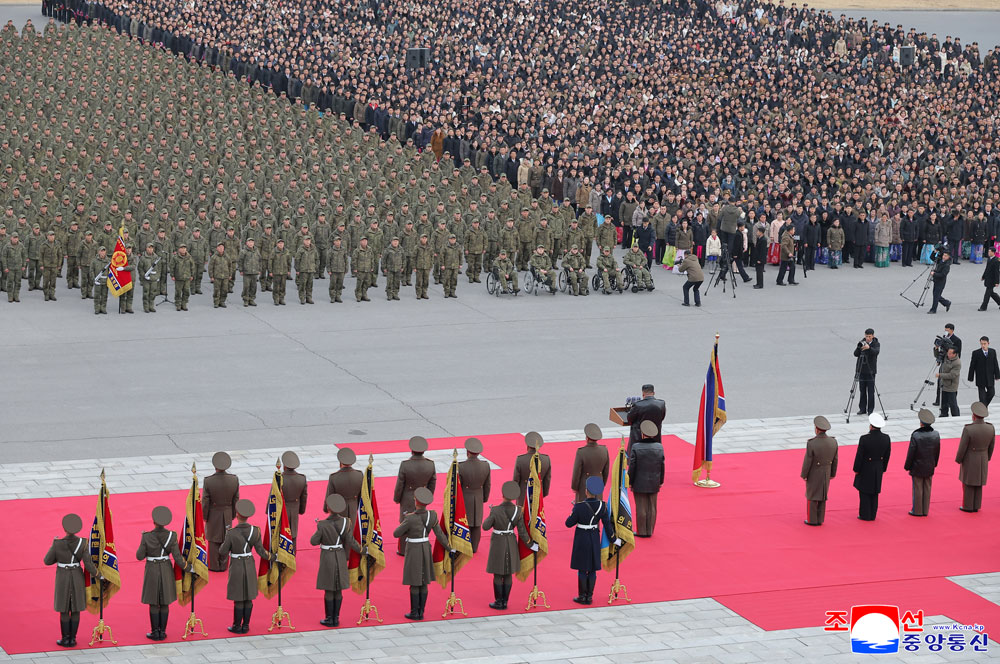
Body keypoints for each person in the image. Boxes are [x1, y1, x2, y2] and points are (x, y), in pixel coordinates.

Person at [392, 487, 449, 620]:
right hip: (425, 548)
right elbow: (439, 535)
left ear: (416, 501)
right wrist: (448, 547)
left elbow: (396, 533)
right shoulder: (432, 515)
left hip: (413, 550)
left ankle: (414, 612)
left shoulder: (410, 518)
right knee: (424, 581)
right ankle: (421, 611)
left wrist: (406, 523)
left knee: (414, 581)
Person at [44, 513, 98, 648]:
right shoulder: (83, 542)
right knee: (75, 609)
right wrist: (99, 575)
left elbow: (47, 561)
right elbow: (88, 564)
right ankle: (73, 639)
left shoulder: (58, 543)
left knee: (64, 609)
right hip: (77, 576)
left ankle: (65, 638)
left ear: (64, 528)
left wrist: (54, 546)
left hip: (62, 576)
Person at [220, 499, 271, 633]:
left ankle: (237, 626)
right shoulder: (255, 531)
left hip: (236, 565)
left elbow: (222, 551)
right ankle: (246, 625)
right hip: (249, 565)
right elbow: (261, 551)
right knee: (248, 597)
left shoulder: (231, 533)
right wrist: (273, 557)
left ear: (237, 515)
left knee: (238, 597)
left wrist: (226, 537)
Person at [482, 481, 536, 610]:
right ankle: (505, 601)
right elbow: (522, 531)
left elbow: (485, 527)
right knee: (508, 574)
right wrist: (531, 544)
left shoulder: (495, 510)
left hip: (498, 544)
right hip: (511, 542)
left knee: (498, 574)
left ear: (503, 494)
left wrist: (491, 513)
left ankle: (498, 601)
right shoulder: (518, 510)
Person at [311, 494, 362, 627]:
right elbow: (350, 541)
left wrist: (318, 528)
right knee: (338, 588)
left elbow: (313, 541)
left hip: (327, 557)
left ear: (328, 508)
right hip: (340, 555)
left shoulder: (322, 524)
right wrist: (362, 550)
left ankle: (329, 618)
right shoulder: (347, 522)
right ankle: (336, 618)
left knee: (329, 589)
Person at [566, 476, 617, 605]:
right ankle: (590, 596)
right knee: (593, 568)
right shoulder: (602, 506)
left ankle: (582, 596)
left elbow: (568, 523)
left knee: (582, 568)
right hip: (594, 537)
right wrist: (613, 539)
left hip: (582, 538)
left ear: (586, 490)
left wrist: (573, 511)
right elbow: (607, 525)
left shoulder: (579, 506)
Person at [136, 506, 185, 640]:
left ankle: (154, 632)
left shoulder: (146, 536)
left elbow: (139, 556)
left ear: (154, 521)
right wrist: (188, 567)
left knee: (153, 602)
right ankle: (162, 632)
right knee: (165, 602)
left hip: (152, 569)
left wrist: (142, 540)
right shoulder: (172, 535)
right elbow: (177, 557)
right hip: (165, 569)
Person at [393, 436, 436, 555]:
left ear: (411, 450)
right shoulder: (430, 464)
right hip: (422, 495)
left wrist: (397, 498)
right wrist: (428, 497)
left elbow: (400, 484)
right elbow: (433, 482)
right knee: (421, 520)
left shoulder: (405, 465)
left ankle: (403, 549)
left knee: (405, 522)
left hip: (407, 496)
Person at [956, 401, 996, 512]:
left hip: (970, 458)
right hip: (983, 457)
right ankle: (976, 505)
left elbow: (962, 447)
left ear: (973, 416)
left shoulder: (969, 429)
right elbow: (991, 446)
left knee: (968, 482)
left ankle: (968, 506)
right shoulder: (990, 428)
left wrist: (958, 459)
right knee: (979, 482)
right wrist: (987, 457)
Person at [203, 451, 239, 572]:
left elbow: (205, 501)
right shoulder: (234, 479)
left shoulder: (208, 481)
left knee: (213, 539)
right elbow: (236, 499)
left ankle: (213, 565)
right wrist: (233, 514)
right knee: (226, 538)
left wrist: (204, 516)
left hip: (213, 513)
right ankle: (223, 564)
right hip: (228, 512)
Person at [628, 420, 665, 537]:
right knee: (652, 507)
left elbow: (632, 466)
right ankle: (650, 530)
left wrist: (630, 481)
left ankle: (642, 531)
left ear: (642, 434)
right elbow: (662, 466)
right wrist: (661, 481)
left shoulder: (636, 447)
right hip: (654, 480)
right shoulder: (659, 447)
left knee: (641, 507)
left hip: (639, 481)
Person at [853, 414, 891, 521]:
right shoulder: (886, 438)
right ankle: (873, 513)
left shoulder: (865, 439)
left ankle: (865, 514)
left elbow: (859, 456)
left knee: (864, 491)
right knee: (875, 491)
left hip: (866, 467)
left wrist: (856, 469)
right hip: (878, 466)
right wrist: (883, 468)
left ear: (871, 426)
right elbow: (887, 455)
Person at [802, 415, 838, 526]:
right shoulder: (833, 442)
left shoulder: (812, 443)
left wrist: (804, 474)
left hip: (814, 472)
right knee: (823, 495)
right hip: (826, 472)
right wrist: (832, 473)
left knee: (812, 495)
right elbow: (835, 459)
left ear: (817, 429)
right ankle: (820, 518)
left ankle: (812, 520)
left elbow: (808, 461)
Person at [904, 409, 940, 516]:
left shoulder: (916, 435)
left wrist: (907, 466)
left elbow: (911, 452)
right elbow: (937, 451)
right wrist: (935, 463)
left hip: (918, 465)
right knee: (927, 487)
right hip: (930, 464)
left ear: (921, 423)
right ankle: (925, 509)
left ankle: (917, 510)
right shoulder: (936, 434)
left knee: (918, 488)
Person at [458, 437, 491, 553]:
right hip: (478, 496)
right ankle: (474, 547)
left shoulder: (461, 466)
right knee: (476, 523)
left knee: (464, 521)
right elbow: (487, 485)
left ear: (467, 452)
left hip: (465, 497)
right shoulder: (485, 466)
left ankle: (463, 544)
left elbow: (458, 486)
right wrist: (484, 498)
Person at [325, 448, 363, 531]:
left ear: (340, 462)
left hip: (338, 508)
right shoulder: (359, 475)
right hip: (353, 507)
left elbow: (330, 495)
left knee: (340, 531)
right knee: (351, 531)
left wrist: (326, 508)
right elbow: (361, 495)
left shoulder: (334, 477)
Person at [570, 423, 609, 503]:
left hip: (585, 485)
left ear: (587, 438)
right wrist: (602, 483)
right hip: (598, 482)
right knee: (597, 507)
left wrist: (574, 487)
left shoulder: (581, 452)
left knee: (584, 508)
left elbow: (577, 472)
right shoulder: (604, 450)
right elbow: (606, 470)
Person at [512, 432, 552, 506]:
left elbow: (516, 479)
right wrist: (543, 493)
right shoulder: (546, 459)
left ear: (527, 446)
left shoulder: (520, 459)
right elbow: (547, 479)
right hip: (538, 493)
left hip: (523, 495)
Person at [627, 384, 666, 452]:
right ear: (653, 393)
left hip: (639, 437)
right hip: (655, 435)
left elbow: (629, 419)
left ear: (643, 394)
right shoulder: (661, 404)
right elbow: (662, 417)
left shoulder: (638, 405)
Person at [280, 451, 308, 547]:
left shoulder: (279, 478)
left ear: (284, 466)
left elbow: (273, 496)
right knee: (293, 534)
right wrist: (301, 510)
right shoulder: (302, 479)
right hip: (295, 509)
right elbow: (304, 497)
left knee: (281, 533)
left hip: (282, 509)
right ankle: (292, 555)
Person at [853, 329, 880, 416]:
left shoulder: (876, 343)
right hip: (861, 370)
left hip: (871, 371)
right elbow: (855, 354)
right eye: (866, 336)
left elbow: (876, 352)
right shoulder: (862, 342)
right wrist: (859, 347)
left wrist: (869, 348)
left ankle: (870, 410)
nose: (867, 338)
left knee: (871, 391)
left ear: (873, 336)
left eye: (869, 336)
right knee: (862, 390)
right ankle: (862, 409)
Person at [968, 336, 1000, 405]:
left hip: (990, 377)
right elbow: (972, 366)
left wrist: (997, 375)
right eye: (981, 344)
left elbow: (995, 364)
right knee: (982, 397)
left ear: (988, 343)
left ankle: (982, 406)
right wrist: (970, 377)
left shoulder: (992, 352)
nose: (983, 345)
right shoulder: (976, 353)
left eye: (984, 344)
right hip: (980, 378)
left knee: (991, 393)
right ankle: (983, 408)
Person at [937, 346, 961, 418]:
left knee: (952, 403)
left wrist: (940, 375)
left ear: (955, 354)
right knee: (944, 402)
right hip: (944, 384)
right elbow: (938, 356)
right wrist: (936, 349)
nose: (948, 354)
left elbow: (952, 375)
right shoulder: (946, 357)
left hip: (951, 386)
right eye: (948, 352)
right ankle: (944, 414)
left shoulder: (957, 363)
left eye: (950, 353)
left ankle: (956, 416)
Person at [928, 249, 951, 314]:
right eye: (944, 255)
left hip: (941, 282)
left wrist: (934, 274)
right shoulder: (941, 260)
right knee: (936, 295)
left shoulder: (947, 265)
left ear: (948, 257)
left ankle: (933, 309)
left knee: (936, 295)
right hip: (936, 280)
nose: (944, 257)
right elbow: (932, 258)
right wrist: (934, 252)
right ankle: (947, 303)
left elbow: (943, 275)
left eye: (946, 256)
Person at [208, 242, 230, 308]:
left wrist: (230, 275)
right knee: (217, 290)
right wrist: (211, 276)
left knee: (225, 290)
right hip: (217, 276)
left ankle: (222, 301)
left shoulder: (227, 256)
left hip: (225, 276)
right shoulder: (214, 257)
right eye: (219, 247)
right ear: (217, 248)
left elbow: (230, 266)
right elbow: (210, 267)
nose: (221, 248)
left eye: (222, 247)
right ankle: (216, 302)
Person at [980, 246, 1000, 311]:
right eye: (988, 251)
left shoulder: (996, 261)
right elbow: (987, 269)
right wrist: (983, 276)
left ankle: (983, 307)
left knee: (987, 294)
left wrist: (997, 282)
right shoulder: (989, 259)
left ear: (993, 252)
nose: (988, 252)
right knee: (991, 293)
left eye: (989, 251)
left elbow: (997, 272)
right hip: (988, 278)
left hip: (992, 280)